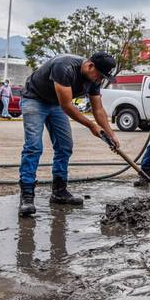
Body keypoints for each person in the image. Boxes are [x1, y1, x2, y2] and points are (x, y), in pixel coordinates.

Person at [17, 52, 119, 216]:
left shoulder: (94, 79)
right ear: (90, 66)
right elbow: (66, 105)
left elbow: (98, 109)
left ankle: (59, 191)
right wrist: (91, 126)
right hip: (35, 99)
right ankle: (27, 196)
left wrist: (110, 134)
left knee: (65, 146)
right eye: (100, 76)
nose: (100, 80)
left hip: (55, 104)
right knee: (33, 146)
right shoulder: (64, 67)